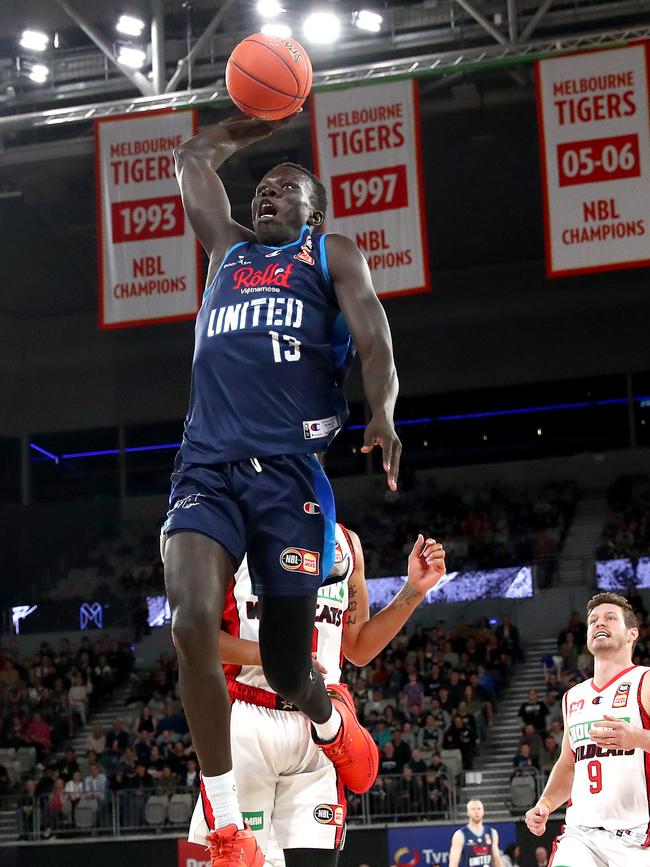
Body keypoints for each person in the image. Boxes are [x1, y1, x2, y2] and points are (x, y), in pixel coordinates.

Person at [164, 112, 401, 864]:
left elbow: (373, 335)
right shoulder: (227, 250)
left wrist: (383, 409)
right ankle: (229, 824)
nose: (267, 194)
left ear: (315, 210)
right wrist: (254, 121)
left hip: (289, 475)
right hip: (206, 464)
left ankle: (330, 722)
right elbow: (193, 156)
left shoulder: (329, 251)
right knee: (191, 622)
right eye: (261, 188)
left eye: (285, 188)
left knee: (292, 665)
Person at [185, 527, 446, 866]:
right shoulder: (234, 531)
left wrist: (414, 589)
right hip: (250, 717)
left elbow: (360, 646)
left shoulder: (347, 543)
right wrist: (279, 659)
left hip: (319, 723)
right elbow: (197, 640)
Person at [525, 592, 650, 866]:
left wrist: (638, 737)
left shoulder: (645, 681)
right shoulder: (573, 696)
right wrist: (544, 804)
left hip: (638, 839)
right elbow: (568, 764)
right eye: (593, 620)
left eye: (609, 618)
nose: (598, 623)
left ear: (631, 634)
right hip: (581, 836)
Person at [448, 799, 504, 867]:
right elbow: (453, 864)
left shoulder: (492, 832)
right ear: (468, 813)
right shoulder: (460, 835)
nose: (476, 812)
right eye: (473, 809)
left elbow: (496, 859)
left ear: (483, 811)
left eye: (479, 809)